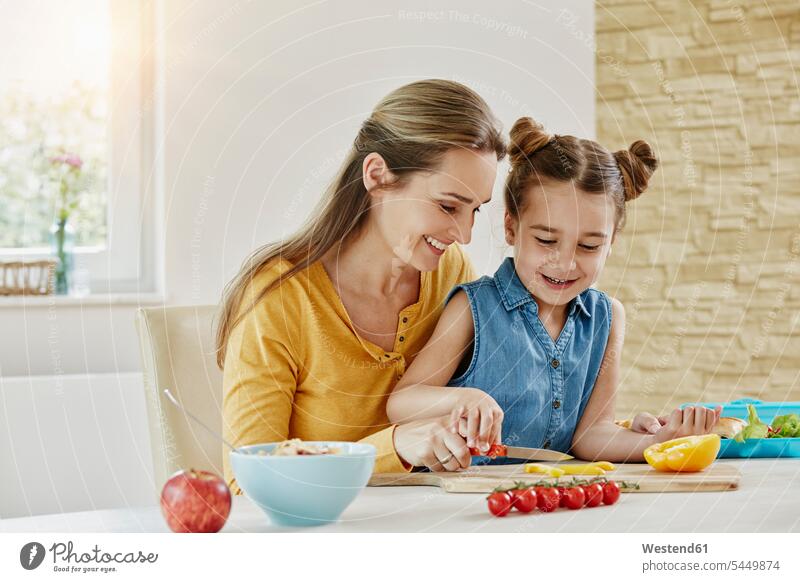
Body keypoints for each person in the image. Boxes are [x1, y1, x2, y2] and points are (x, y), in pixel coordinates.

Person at [216, 79, 507, 493]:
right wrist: (394, 448)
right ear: (377, 174)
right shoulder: (280, 299)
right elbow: (247, 485)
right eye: (447, 206)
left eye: (475, 210)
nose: (463, 234)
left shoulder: (451, 272)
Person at [386, 117, 721, 468]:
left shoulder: (607, 319)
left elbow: (591, 435)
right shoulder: (473, 306)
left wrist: (659, 442)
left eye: (589, 246)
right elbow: (402, 401)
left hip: (543, 504)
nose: (565, 263)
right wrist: (466, 398)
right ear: (511, 227)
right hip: (464, 501)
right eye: (546, 240)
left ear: (612, 243)